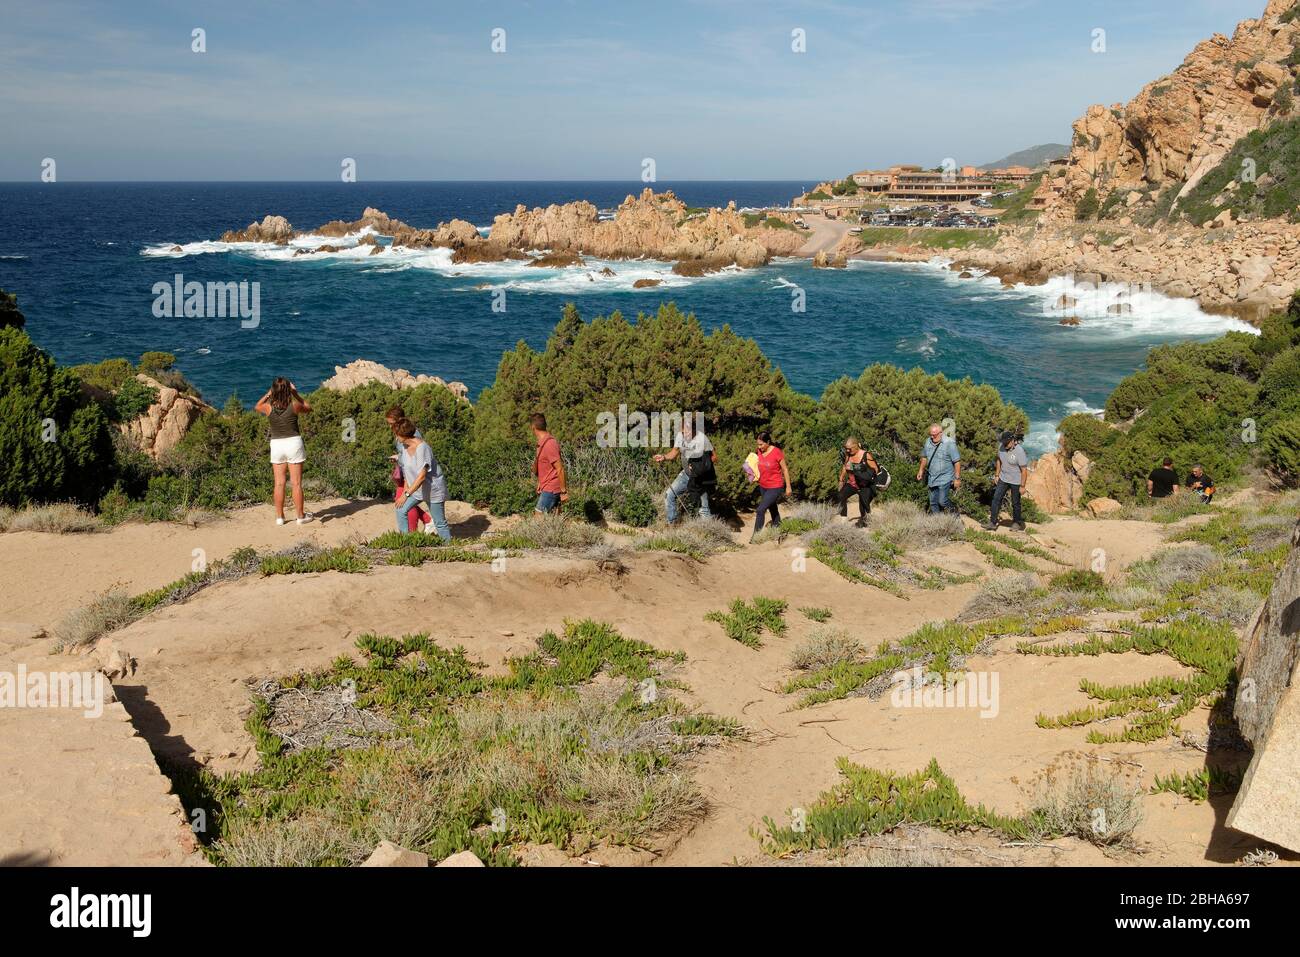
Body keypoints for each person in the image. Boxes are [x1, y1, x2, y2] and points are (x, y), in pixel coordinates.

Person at [255, 377, 313, 525]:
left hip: (277, 445)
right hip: (293, 443)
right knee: (296, 483)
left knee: (279, 483)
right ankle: (300, 516)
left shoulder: (268, 408)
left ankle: (280, 517)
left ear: (273, 390)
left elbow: (257, 406)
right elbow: (308, 407)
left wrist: (269, 394)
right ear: (288, 390)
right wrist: (295, 393)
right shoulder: (295, 406)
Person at [394, 418, 451, 540]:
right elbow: (406, 473)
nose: (395, 436)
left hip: (433, 490)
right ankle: (406, 542)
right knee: (400, 510)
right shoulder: (404, 448)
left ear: (404, 434)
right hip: (416, 490)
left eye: (396, 433)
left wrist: (406, 495)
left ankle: (449, 548)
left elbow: (421, 476)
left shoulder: (423, 448)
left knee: (439, 523)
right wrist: (405, 492)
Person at [654, 416, 716, 522]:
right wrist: (663, 457)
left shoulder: (702, 439)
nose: (685, 435)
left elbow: (714, 457)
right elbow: (674, 452)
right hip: (686, 475)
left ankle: (709, 533)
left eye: (687, 432)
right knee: (669, 495)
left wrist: (699, 467)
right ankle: (672, 524)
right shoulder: (680, 436)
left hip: (700, 479)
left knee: (703, 510)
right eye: (683, 432)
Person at [750, 431, 792, 541]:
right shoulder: (758, 451)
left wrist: (788, 486)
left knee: (760, 510)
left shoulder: (777, 452)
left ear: (768, 442)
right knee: (772, 508)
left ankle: (756, 537)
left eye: (761, 444)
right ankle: (778, 527)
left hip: (775, 486)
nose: (759, 447)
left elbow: (785, 469)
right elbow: (752, 464)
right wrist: (750, 474)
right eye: (758, 444)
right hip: (763, 486)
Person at [386, 405, 423, 532]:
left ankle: (411, 533)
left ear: (399, 420)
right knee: (402, 501)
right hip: (407, 473)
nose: (390, 426)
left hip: (410, 475)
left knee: (403, 501)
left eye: (391, 423)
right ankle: (426, 522)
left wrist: (399, 458)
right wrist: (398, 456)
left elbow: (411, 457)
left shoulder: (411, 434)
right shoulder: (405, 432)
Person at [986, 430, 1028, 531]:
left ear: (1013, 440)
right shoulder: (1001, 447)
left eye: (1007, 443)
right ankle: (992, 522)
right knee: (996, 499)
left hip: (1016, 481)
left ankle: (1017, 523)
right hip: (1003, 478)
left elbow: (1024, 470)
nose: (1005, 445)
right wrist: (997, 475)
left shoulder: (1019, 451)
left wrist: (1022, 486)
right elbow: (999, 460)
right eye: (1003, 443)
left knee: (1015, 502)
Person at [917, 423, 961, 515]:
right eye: (931, 435)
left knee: (942, 501)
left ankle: (955, 513)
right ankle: (938, 521)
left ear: (941, 433)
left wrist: (957, 478)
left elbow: (957, 462)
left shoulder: (949, 443)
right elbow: (924, 457)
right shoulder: (927, 442)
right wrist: (921, 470)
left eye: (934, 435)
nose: (932, 437)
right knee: (933, 503)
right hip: (932, 477)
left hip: (945, 477)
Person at [837, 437, 879, 527]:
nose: (847, 450)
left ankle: (865, 521)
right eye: (846, 448)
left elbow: (875, 469)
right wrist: (841, 479)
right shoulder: (848, 454)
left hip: (865, 484)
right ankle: (843, 518)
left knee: (863, 504)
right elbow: (845, 466)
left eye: (850, 448)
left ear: (857, 445)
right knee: (841, 495)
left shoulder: (866, 455)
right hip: (852, 483)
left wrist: (855, 467)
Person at [530, 413, 568, 513]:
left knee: (538, 520)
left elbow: (559, 468)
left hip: (551, 488)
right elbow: (546, 466)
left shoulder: (549, 443)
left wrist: (563, 491)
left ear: (533, 427)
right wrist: (540, 482)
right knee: (553, 518)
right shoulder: (541, 443)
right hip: (546, 486)